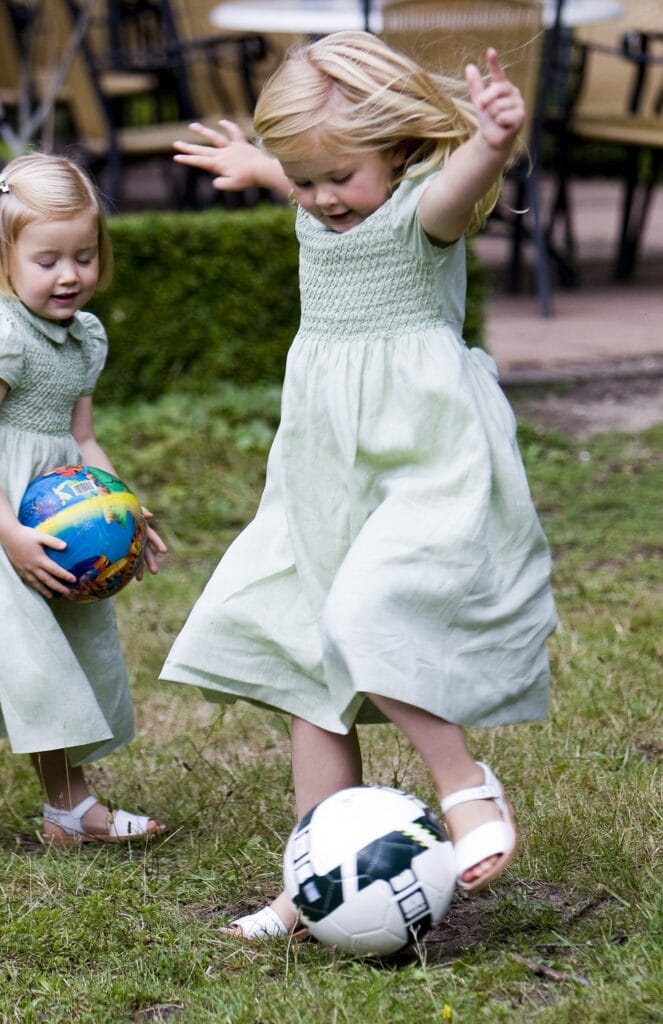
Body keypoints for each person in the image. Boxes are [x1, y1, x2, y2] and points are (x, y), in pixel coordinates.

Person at [163, 32, 557, 938]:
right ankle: (314, 884)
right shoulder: (318, 192)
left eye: (335, 177)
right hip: (324, 466)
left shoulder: (425, 208)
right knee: (310, 661)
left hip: (419, 458)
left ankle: (463, 785)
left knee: (365, 613)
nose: (316, 198)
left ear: (398, 147)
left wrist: (492, 141)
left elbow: (459, 186)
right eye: (302, 181)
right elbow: (299, 175)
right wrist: (255, 164)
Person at [0, 153, 168, 845]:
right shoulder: (7, 337)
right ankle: (69, 809)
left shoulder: (84, 337)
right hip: (8, 514)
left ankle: (67, 811)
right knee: (27, 661)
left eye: (84, 255)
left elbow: (83, 437)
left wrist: (123, 510)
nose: (69, 275)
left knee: (55, 661)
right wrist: (7, 532)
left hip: (55, 519)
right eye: (47, 260)